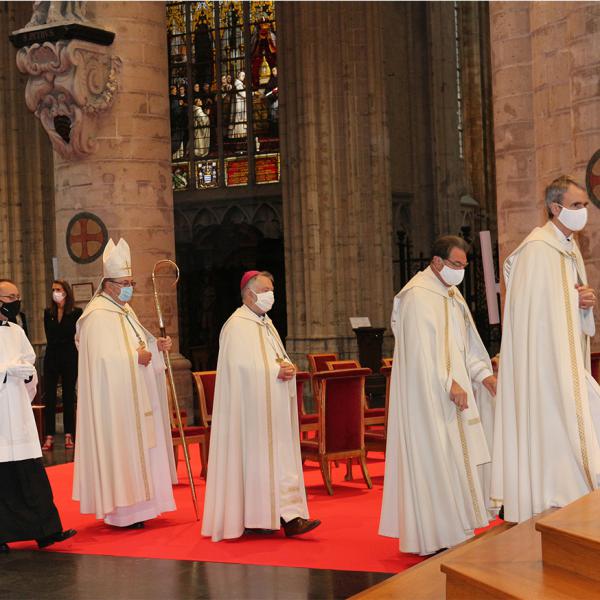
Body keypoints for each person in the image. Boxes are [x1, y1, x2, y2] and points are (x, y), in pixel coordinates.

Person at [379, 236, 498, 556]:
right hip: (429, 399)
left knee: (457, 459)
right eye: (456, 265)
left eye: (464, 265)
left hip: (454, 393)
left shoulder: (451, 295)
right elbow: (420, 352)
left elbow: (467, 344)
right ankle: (435, 533)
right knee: (437, 459)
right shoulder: (417, 296)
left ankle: (457, 526)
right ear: (436, 261)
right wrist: (449, 383)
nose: (461, 271)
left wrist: (482, 375)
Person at [491, 175, 600, 523]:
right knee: (555, 427)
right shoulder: (537, 249)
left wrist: (584, 304)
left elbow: (566, 305)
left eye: (584, 205)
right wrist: (572, 300)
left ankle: (575, 497)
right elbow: (533, 312)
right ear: (556, 208)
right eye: (577, 206)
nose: (583, 212)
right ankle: (553, 499)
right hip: (543, 367)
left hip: (566, 360)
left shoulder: (568, 249)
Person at [202, 270, 321, 541]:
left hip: (273, 409)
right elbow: (239, 368)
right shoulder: (236, 325)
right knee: (258, 464)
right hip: (250, 414)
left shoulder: (266, 324)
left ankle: (287, 516)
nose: (271, 296)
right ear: (249, 293)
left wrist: (286, 368)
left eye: (272, 291)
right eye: (266, 290)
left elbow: (275, 358)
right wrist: (272, 372)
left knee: (279, 462)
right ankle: (276, 518)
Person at [73, 238, 177, 528]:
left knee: (144, 447)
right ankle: (124, 512)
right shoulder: (95, 316)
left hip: (137, 395)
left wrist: (157, 348)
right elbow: (103, 362)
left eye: (132, 281)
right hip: (115, 403)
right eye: (125, 282)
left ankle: (145, 506)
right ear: (108, 284)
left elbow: (138, 344)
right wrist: (136, 359)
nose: (130, 287)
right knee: (123, 449)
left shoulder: (124, 310)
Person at [0, 278, 76, 552]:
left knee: (31, 473)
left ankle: (46, 531)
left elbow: (28, 359)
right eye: (10, 298)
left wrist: (27, 373)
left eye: (17, 296)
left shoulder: (15, 330)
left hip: (17, 411)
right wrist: (6, 371)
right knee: (4, 478)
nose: (15, 302)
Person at [41, 280, 82, 452]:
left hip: (69, 356)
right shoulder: (48, 312)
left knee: (68, 396)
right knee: (49, 397)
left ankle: (69, 435)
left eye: (58, 289)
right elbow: (51, 334)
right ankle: (48, 436)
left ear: (66, 291)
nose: (55, 292)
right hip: (52, 355)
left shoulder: (76, 312)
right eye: (53, 290)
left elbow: (73, 334)